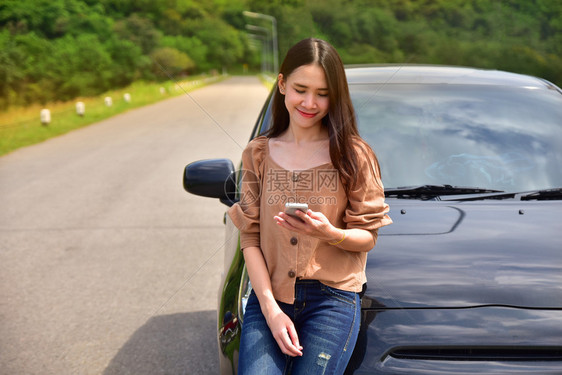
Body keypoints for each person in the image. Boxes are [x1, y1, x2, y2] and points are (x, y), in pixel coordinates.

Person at [228, 38, 392, 375]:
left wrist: (329, 233)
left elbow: (367, 238)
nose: (310, 102)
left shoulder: (354, 156)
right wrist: (271, 311)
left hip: (332, 301)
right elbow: (250, 240)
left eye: (323, 93)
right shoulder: (257, 154)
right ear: (283, 83)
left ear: (336, 96)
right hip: (269, 299)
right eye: (301, 89)